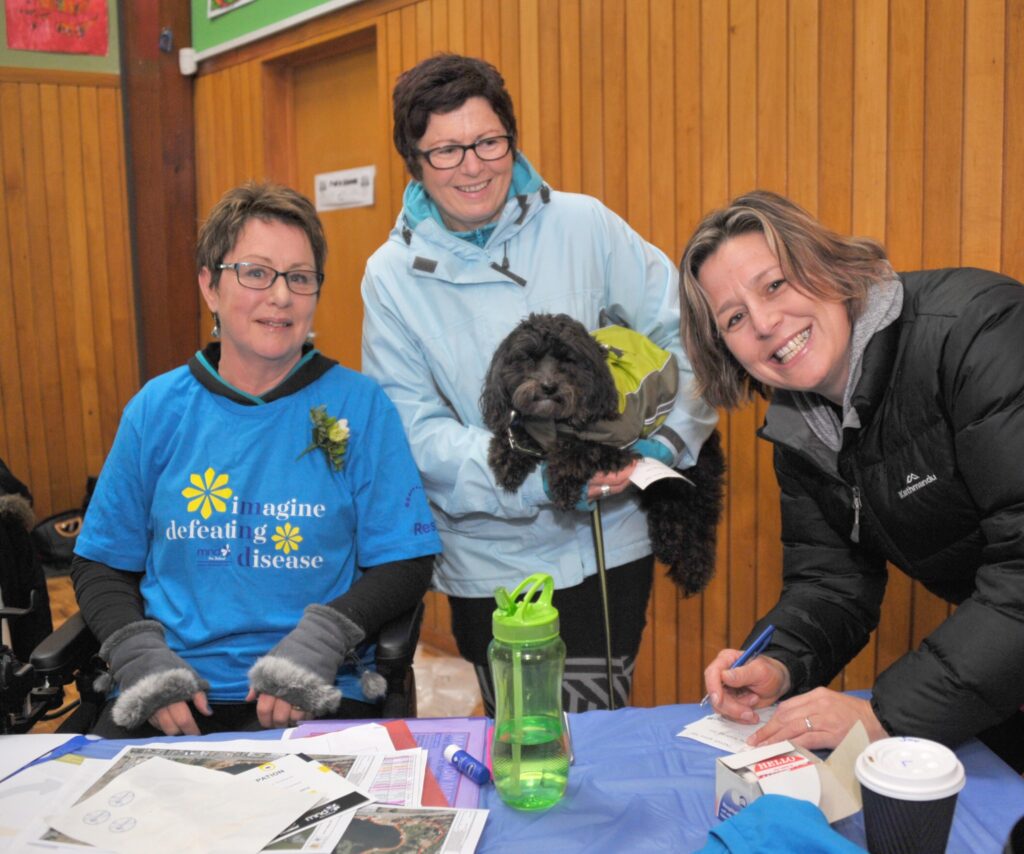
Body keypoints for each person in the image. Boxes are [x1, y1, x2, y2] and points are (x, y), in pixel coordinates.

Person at [360, 53, 718, 713]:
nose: (472, 166)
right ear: (413, 161)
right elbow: (413, 430)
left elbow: (689, 335)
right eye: (444, 151)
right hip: (488, 556)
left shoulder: (583, 224)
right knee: (522, 729)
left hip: (607, 542)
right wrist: (540, 471)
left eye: (487, 141)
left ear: (511, 139)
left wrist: (666, 443)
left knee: (595, 725)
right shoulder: (390, 276)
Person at [72, 182, 441, 738]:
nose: (281, 296)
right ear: (210, 287)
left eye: (300, 277)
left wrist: (320, 642)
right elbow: (101, 563)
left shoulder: (360, 406)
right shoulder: (156, 409)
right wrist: (141, 660)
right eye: (256, 272)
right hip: (172, 698)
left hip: (316, 690)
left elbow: (406, 561)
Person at [680, 189, 1024, 769]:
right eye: (734, 319)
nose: (764, 323)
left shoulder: (980, 328)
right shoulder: (799, 425)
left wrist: (886, 716)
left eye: (775, 284)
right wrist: (780, 661)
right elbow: (831, 584)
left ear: (825, 266)